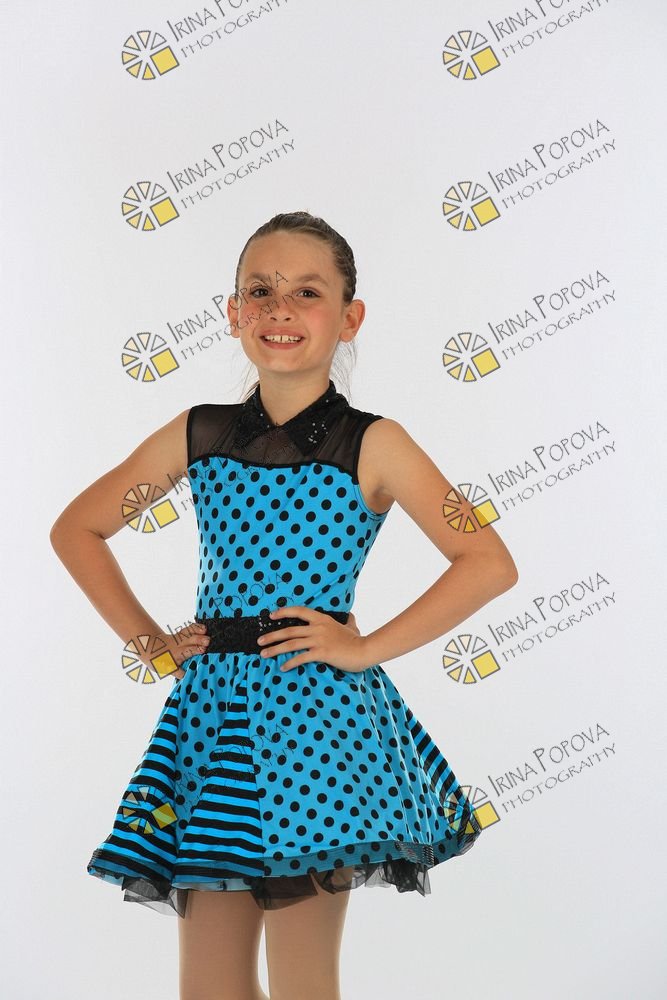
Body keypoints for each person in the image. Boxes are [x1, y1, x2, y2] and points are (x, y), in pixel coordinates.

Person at [50, 210, 519, 1000]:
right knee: (209, 989)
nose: (279, 309)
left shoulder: (375, 443)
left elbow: (486, 562)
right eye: (259, 291)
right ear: (233, 312)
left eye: (307, 292)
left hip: (316, 726)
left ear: (348, 317)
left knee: (303, 984)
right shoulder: (199, 434)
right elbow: (79, 528)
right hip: (209, 723)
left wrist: (363, 648)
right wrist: (151, 645)